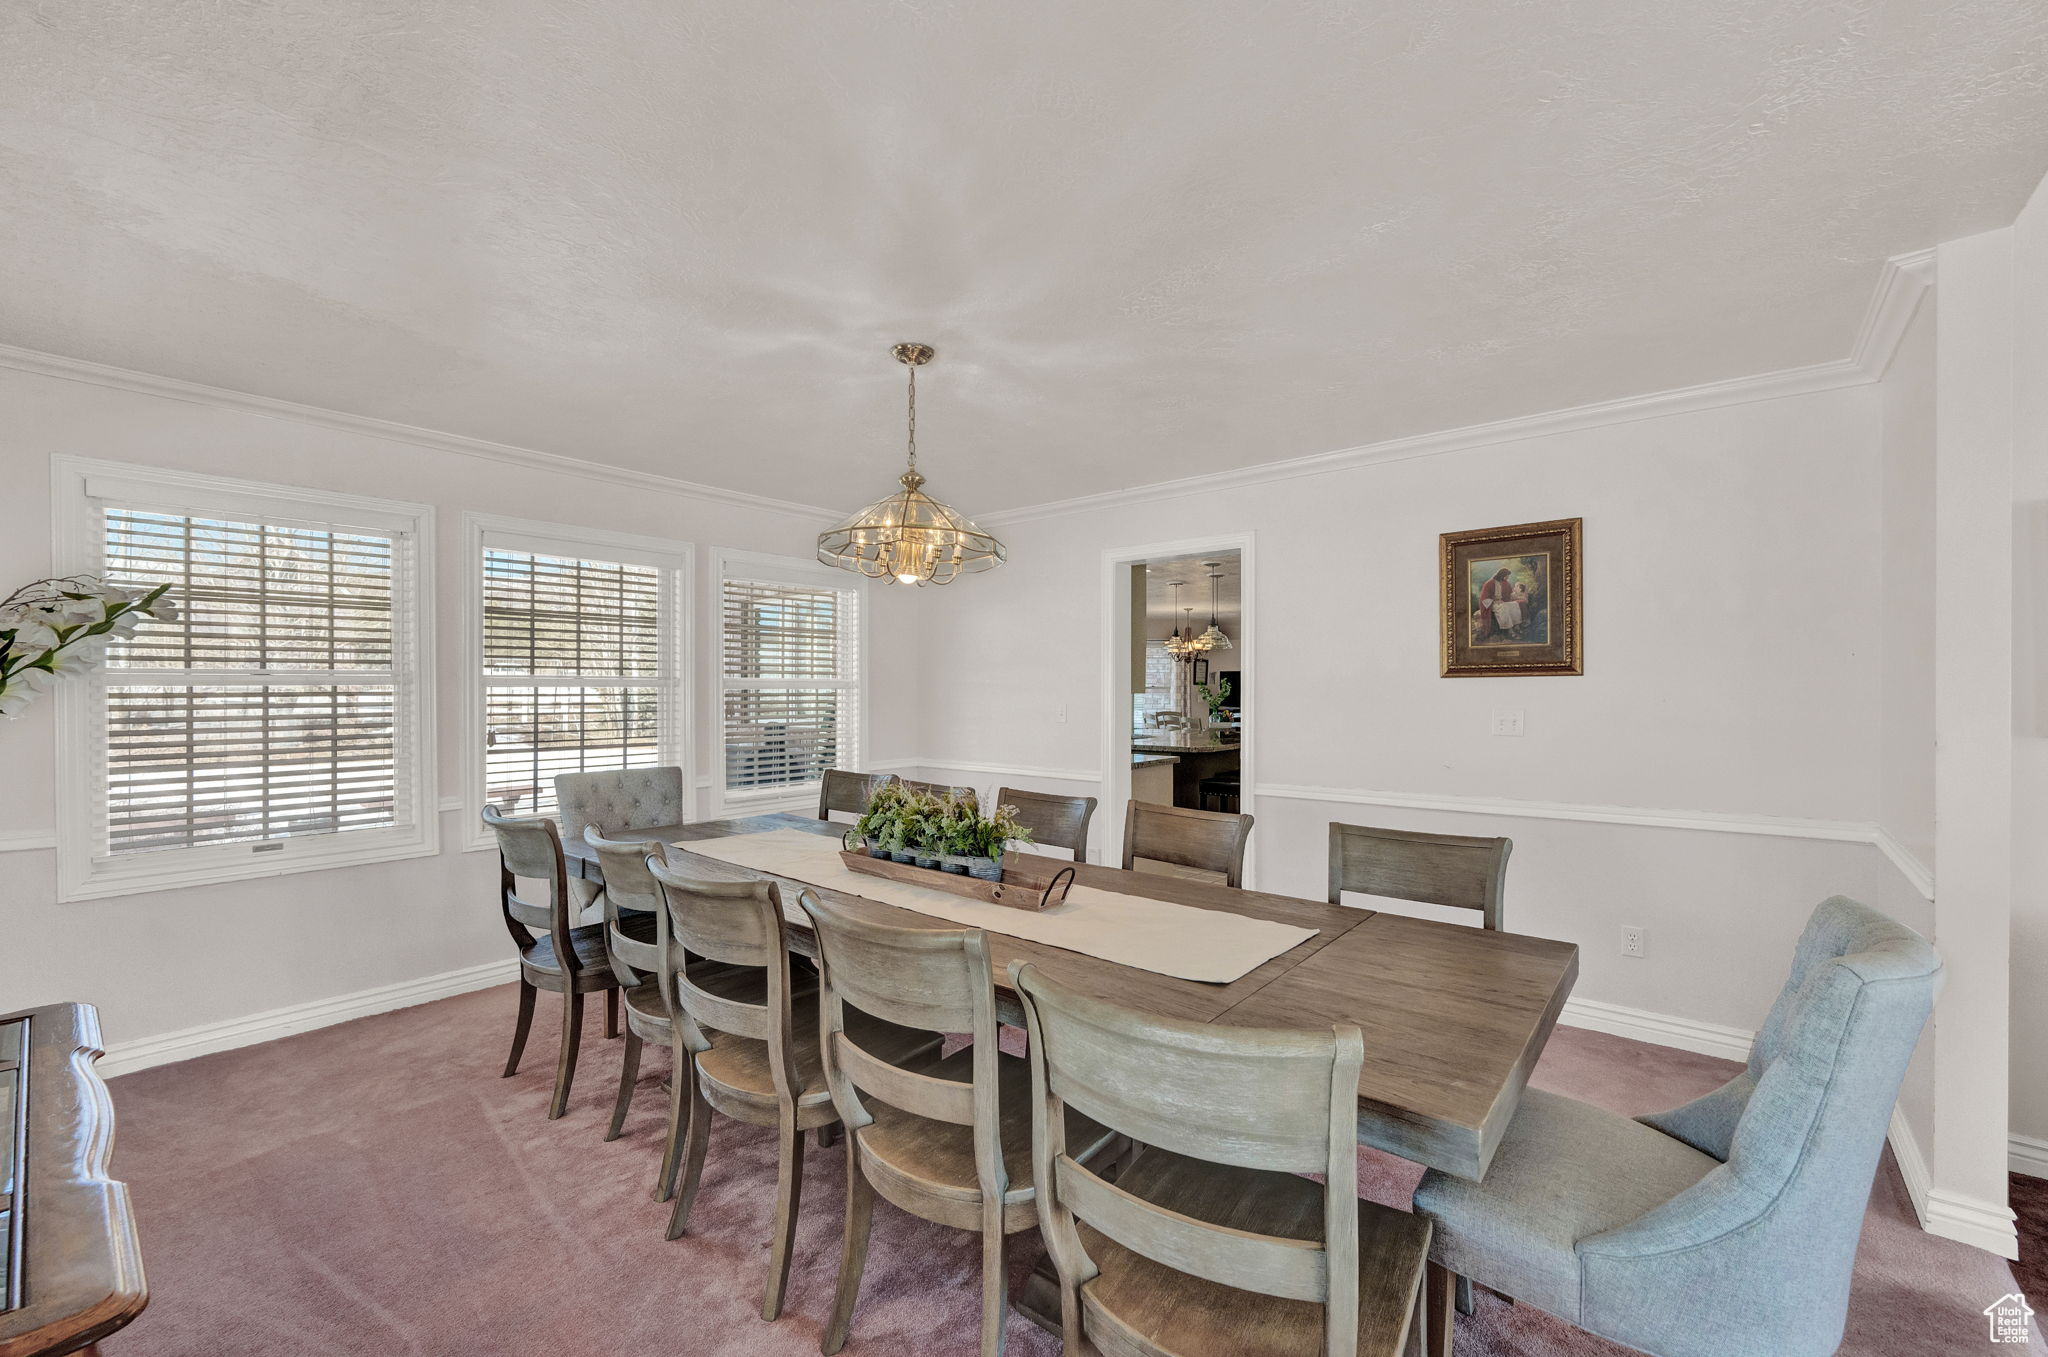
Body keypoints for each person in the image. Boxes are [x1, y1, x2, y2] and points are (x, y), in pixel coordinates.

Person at [1474, 567, 1514, 643]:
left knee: (1513, 606)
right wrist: (1494, 601)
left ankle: (1514, 628)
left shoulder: (1503, 583)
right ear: (1502, 575)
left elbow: (1506, 595)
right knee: (1503, 608)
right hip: (1490, 604)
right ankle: (1507, 631)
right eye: (1507, 575)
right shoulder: (1490, 583)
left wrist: (1502, 600)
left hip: (1499, 602)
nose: (1508, 577)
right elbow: (1484, 598)